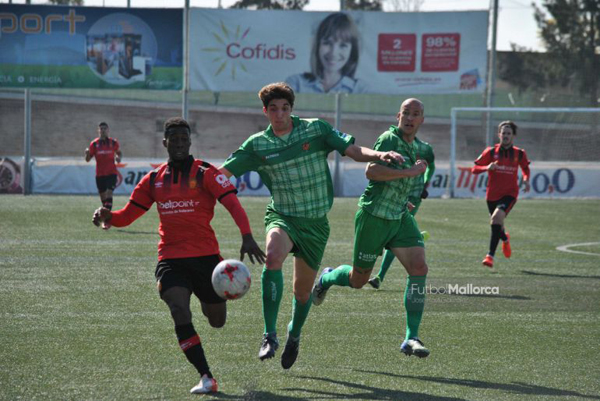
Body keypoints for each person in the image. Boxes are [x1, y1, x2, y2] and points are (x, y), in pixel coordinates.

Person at [219, 82, 402, 369]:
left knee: (302, 293)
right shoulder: (257, 145)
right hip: (283, 216)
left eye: (285, 108)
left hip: (315, 224)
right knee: (273, 254)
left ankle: (294, 335)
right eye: (274, 109)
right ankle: (269, 334)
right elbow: (222, 174)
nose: (280, 114)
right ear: (265, 112)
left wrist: (379, 155)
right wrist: (192, 183)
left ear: (291, 109)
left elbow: (352, 150)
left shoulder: (316, 130)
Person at [91, 117, 266, 395]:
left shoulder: (206, 173)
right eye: (175, 139)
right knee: (177, 307)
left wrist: (246, 235)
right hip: (171, 258)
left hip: (207, 260)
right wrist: (109, 215)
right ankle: (206, 376)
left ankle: (208, 301)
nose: (180, 144)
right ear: (165, 143)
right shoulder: (153, 179)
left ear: (190, 141)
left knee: (217, 321)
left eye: (185, 139)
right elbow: (129, 215)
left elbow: (232, 202)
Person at [311, 98, 432, 358]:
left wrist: (409, 199)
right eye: (406, 113)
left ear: (422, 120)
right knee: (358, 280)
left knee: (419, 267)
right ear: (398, 115)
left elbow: (406, 180)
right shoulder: (389, 138)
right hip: (374, 217)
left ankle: (411, 337)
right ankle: (327, 278)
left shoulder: (415, 146)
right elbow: (372, 171)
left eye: (416, 114)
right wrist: (410, 173)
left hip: (399, 217)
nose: (410, 118)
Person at [368, 129, 435, 290]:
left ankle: (379, 276)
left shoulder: (425, 148)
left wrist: (425, 184)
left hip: (413, 197)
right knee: (392, 233)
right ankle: (415, 237)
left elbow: (431, 167)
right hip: (395, 194)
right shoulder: (394, 143)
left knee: (395, 234)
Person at [472, 120, 530, 268]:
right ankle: (505, 238)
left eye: (508, 133)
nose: (505, 135)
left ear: (513, 136)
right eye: (503, 133)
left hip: (510, 194)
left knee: (496, 218)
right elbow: (474, 169)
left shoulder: (519, 153)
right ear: (499, 134)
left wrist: (526, 179)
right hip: (492, 194)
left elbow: (525, 169)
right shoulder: (491, 152)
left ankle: (489, 256)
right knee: (497, 223)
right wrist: (487, 167)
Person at [285, 12, 368, 94]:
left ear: (352, 50)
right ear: (318, 46)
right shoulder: (296, 83)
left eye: (343, 45)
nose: (333, 52)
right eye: (327, 43)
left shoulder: (360, 89)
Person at [85, 122, 122, 213]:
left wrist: (118, 158)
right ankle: (106, 213)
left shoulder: (113, 143)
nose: (103, 130)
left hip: (111, 173)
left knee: (109, 193)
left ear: (108, 130)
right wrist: (86, 154)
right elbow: (88, 159)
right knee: (103, 196)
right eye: (101, 129)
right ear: (98, 130)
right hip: (100, 174)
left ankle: (107, 217)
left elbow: (119, 152)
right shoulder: (94, 144)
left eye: (105, 128)